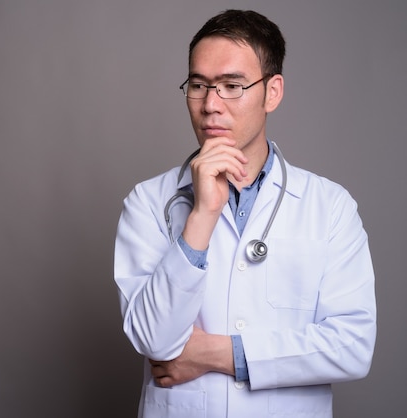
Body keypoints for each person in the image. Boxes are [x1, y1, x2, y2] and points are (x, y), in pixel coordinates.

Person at [114, 9, 376, 418]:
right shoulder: (148, 202)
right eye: (198, 85)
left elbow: (352, 346)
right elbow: (152, 339)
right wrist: (202, 215)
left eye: (231, 86)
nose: (210, 105)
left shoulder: (330, 206)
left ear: (273, 92)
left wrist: (221, 353)